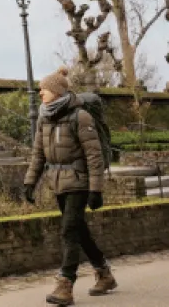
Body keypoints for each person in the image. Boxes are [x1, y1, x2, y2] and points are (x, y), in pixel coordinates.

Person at [23, 67, 117, 305]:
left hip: (78, 182)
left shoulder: (80, 116)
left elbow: (94, 155)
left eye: (44, 89)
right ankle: (104, 274)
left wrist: (96, 189)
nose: (40, 92)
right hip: (58, 183)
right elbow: (38, 154)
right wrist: (29, 182)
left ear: (56, 91)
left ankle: (65, 285)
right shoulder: (45, 118)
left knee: (68, 231)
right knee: (79, 231)